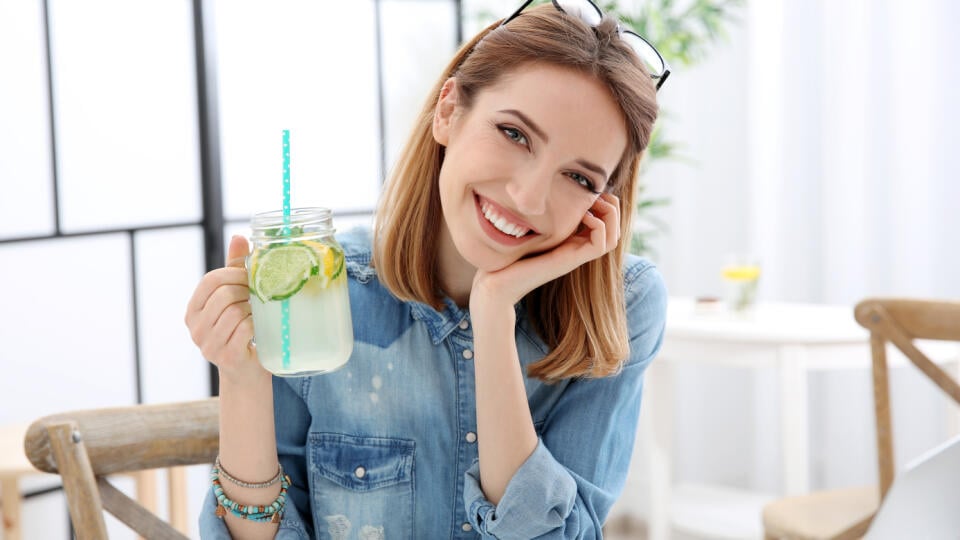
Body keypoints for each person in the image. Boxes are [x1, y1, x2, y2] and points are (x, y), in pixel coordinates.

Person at [185, 1, 668, 538]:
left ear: (602, 204)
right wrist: (242, 376)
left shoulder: (625, 306)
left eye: (578, 178)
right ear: (448, 111)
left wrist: (492, 313)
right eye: (515, 134)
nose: (528, 197)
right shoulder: (321, 293)